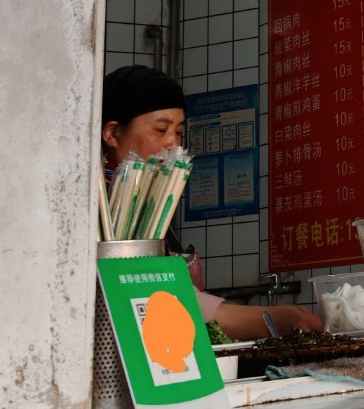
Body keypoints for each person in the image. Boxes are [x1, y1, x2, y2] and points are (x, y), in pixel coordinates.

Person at [101, 65, 322, 340]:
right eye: (160, 129)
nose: (173, 144)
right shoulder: (98, 208)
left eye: (179, 132)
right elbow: (167, 301)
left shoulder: (155, 207)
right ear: (111, 133)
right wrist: (275, 320)